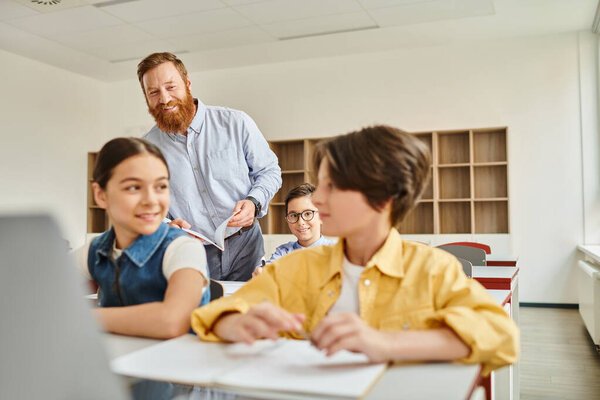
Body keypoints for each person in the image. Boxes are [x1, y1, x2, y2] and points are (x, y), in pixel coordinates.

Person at [190, 125, 519, 376]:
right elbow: (212, 316)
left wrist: (385, 344)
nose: (317, 200)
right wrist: (233, 326)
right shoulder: (295, 268)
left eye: (332, 186)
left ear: (383, 197)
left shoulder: (432, 269)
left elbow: (501, 336)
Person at [137, 52, 282, 281]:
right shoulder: (146, 149)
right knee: (200, 315)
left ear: (187, 84)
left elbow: (269, 171)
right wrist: (165, 226)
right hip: (191, 254)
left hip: (246, 246)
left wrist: (254, 203)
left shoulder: (235, 122)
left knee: (250, 312)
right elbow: (147, 204)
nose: (164, 99)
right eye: (153, 92)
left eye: (171, 87)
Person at [74, 137, 210, 339]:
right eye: (133, 188)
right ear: (101, 195)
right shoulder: (97, 249)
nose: (151, 200)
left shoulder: (183, 248)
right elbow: (40, 294)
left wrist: (82, 318)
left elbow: (172, 321)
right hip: (117, 362)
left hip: (174, 366)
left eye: (161, 187)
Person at [253, 183, 336, 277]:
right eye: (293, 215)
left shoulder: (336, 252)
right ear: (287, 220)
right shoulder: (284, 252)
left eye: (308, 214)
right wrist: (261, 273)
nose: (301, 222)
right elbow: (268, 270)